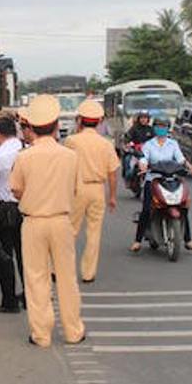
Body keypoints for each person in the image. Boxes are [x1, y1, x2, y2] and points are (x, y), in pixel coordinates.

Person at [9, 95, 84, 347]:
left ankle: (41, 334)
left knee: (36, 278)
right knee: (66, 277)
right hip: (62, 221)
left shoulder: (24, 157)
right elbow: (75, 189)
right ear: (55, 126)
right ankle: (73, 331)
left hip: (33, 222)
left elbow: (16, 190)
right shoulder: (70, 156)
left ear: (30, 127)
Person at [65, 100, 120, 283]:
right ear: (99, 121)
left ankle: (62, 270)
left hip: (77, 188)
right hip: (97, 189)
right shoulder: (106, 144)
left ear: (80, 120)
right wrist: (112, 196)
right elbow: (112, 173)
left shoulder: (71, 141)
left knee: (70, 231)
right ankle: (88, 273)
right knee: (94, 233)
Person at [131, 117, 192, 252]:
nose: (160, 128)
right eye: (158, 126)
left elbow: (180, 159)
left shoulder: (173, 144)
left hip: (172, 179)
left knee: (183, 207)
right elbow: (143, 158)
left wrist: (190, 166)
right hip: (154, 179)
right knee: (146, 210)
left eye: (163, 126)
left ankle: (188, 240)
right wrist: (143, 165)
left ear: (168, 128)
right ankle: (138, 240)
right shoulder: (149, 145)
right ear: (154, 128)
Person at [0, 117, 24, 313]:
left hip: (2, 208)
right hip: (26, 209)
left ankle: (9, 299)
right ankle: (29, 295)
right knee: (25, 256)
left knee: (3, 254)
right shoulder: (26, 150)